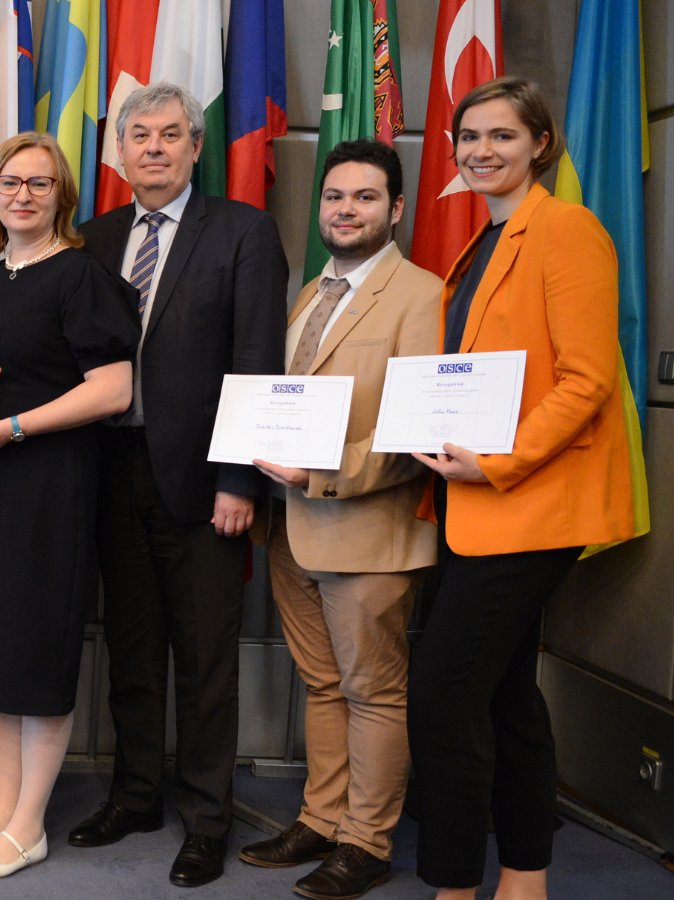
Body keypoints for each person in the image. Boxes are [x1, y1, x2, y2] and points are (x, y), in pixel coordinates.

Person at [407, 76, 635, 900]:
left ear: (540, 143)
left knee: (443, 694)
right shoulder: (483, 242)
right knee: (505, 696)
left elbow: (587, 380)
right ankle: (525, 879)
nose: (481, 151)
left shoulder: (566, 229)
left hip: (530, 503)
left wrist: (497, 463)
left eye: (501, 135)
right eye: (468, 137)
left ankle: (454, 885)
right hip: (472, 506)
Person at [71, 82, 287, 888]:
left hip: (204, 483)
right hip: (109, 475)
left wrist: (240, 480)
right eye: (140, 135)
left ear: (197, 147)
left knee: (204, 661)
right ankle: (135, 795)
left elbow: (257, 359)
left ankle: (205, 819)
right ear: (120, 152)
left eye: (171, 135)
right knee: (131, 650)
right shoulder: (93, 237)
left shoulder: (243, 231)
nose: (154, 147)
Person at [0, 132, 138, 881]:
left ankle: (29, 827)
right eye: (10, 183)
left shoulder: (80, 276)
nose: (23, 195)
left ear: (62, 197)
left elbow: (113, 390)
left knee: (38, 652)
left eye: (39, 184)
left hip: (50, 489)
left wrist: (14, 427)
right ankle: (0, 811)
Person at [238, 141, 441, 900]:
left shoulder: (422, 295)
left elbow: (417, 432)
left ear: (396, 208)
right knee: (321, 684)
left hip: (368, 531)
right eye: (334, 197)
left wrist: (320, 473)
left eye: (364, 197)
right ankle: (321, 820)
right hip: (291, 527)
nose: (345, 210)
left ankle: (367, 841)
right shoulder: (307, 292)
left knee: (372, 692)